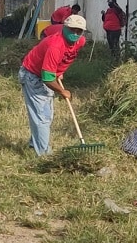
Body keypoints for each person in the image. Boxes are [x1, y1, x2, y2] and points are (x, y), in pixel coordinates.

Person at [18, 14, 88, 156]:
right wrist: (62, 91)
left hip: (46, 73)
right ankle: (44, 155)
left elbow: (64, 58)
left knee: (44, 115)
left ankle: (35, 143)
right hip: (33, 75)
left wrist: (57, 70)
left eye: (79, 31)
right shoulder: (55, 46)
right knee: (43, 116)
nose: (75, 34)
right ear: (65, 27)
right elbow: (47, 79)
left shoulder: (80, 41)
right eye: (72, 30)